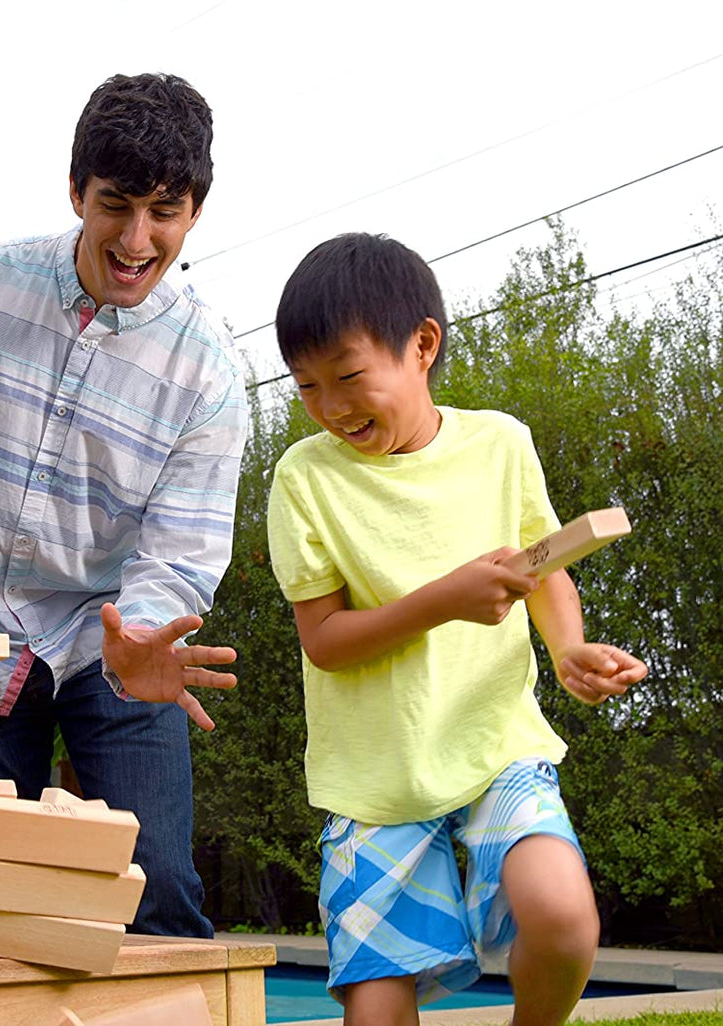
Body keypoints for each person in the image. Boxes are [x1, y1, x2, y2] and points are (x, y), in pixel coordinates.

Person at [0, 73, 244, 939]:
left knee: (156, 886)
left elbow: (179, 553)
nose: (135, 239)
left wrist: (139, 636)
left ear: (194, 212)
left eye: (164, 212)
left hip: (109, 641)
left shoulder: (210, 376)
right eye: (115, 205)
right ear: (76, 190)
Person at [265, 232, 648, 1023]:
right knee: (376, 1011)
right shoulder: (304, 478)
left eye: (347, 376)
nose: (331, 407)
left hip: (493, 742)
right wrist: (443, 599)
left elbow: (543, 568)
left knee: (564, 919)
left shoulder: (500, 443)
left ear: (422, 346)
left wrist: (568, 648)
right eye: (306, 386)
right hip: (374, 780)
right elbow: (324, 642)